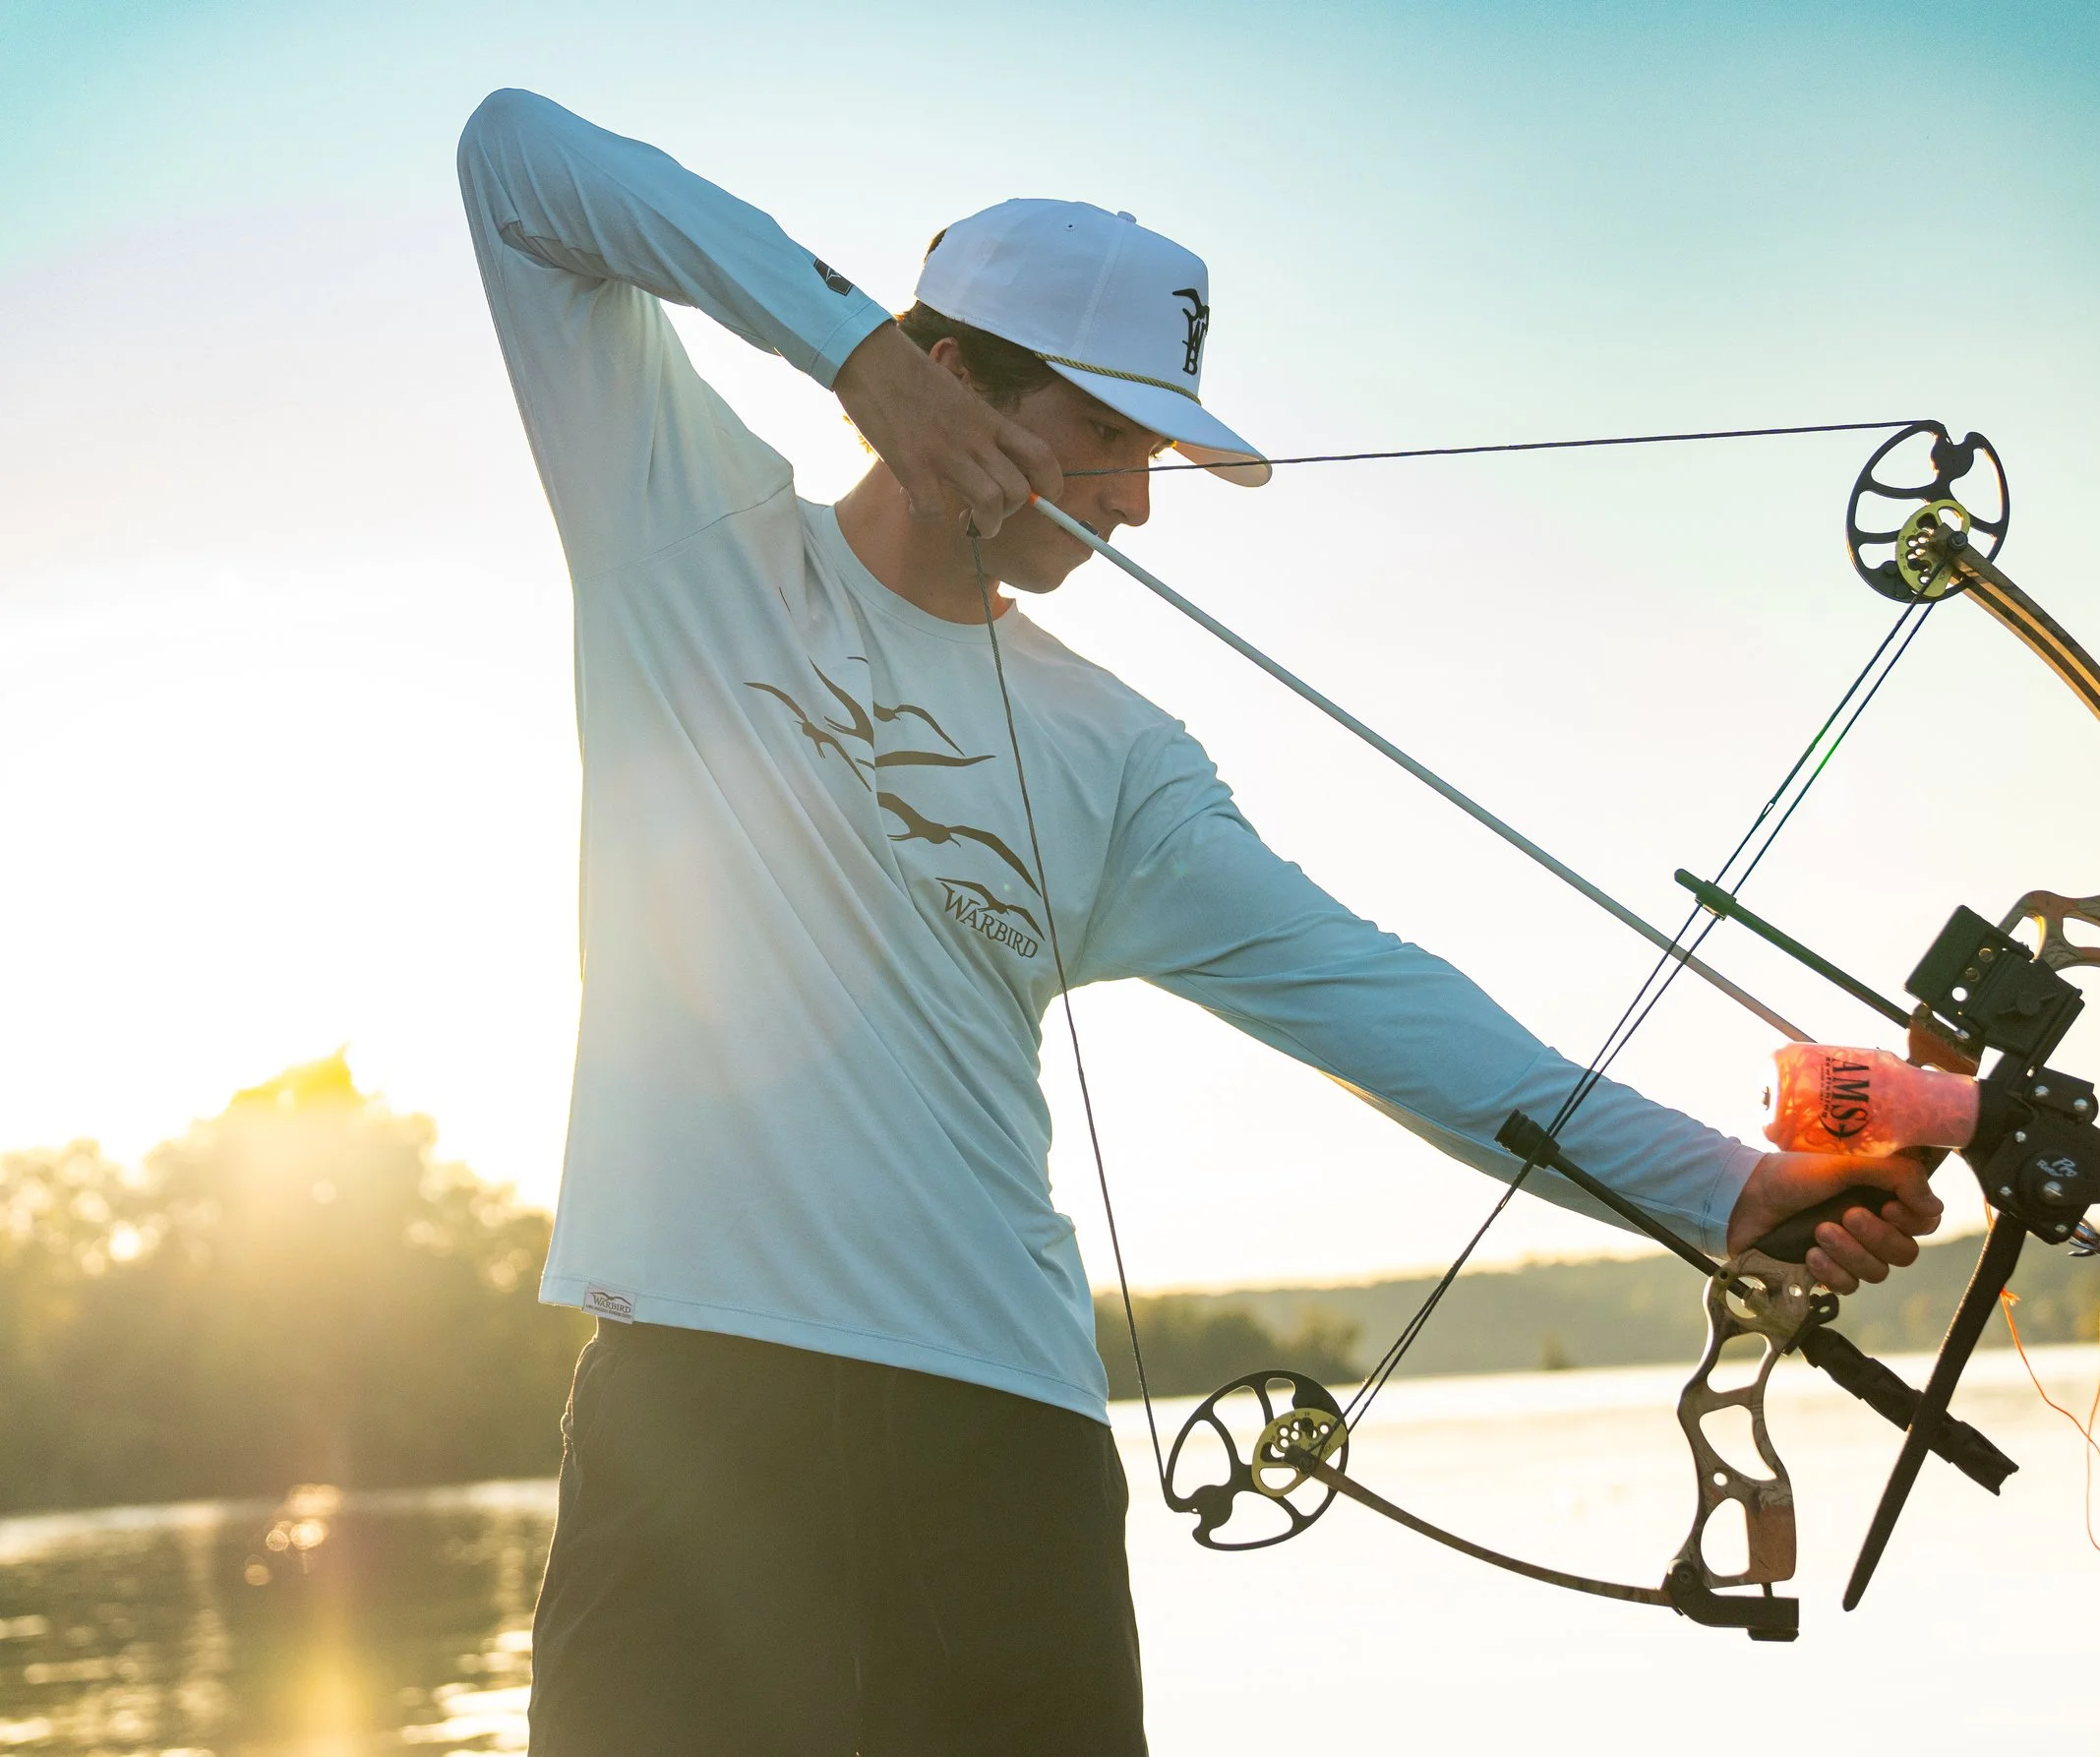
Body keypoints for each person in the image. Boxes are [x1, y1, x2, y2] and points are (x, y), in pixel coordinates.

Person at [456, 87, 1941, 1756]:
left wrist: (1728, 1190)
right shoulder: (689, 539)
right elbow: (517, 155)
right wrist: (849, 351)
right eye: (1114, 439)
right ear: (957, 385)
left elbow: (1380, 1001)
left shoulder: (1121, 760)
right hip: (698, 1412)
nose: (1139, 506)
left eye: (1151, 456)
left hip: (997, 1437)